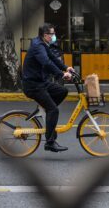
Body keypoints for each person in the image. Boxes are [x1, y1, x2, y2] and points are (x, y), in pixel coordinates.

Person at [22, 23, 75, 152]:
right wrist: (62, 75)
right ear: (45, 35)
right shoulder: (38, 46)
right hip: (33, 85)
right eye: (52, 34)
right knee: (54, 110)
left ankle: (44, 109)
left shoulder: (43, 44)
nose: (54, 36)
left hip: (41, 82)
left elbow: (52, 58)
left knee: (62, 91)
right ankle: (50, 143)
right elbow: (46, 63)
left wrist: (66, 67)